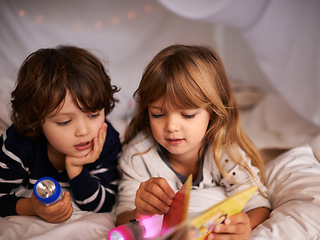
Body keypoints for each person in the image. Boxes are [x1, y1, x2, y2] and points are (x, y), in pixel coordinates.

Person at [115, 44, 270, 239]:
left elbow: (259, 205)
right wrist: (141, 210)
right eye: (158, 114)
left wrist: (245, 225)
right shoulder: (139, 154)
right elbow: (122, 216)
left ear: (212, 113)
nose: (171, 126)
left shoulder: (225, 151)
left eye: (187, 115)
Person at [0, 46, 122, 223]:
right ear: (36, 121)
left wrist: (75, 168)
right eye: (64, 122)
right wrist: (30, 207)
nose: (83, 131)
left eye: (93, 115)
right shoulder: (18, 143)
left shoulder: (106, 139)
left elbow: (104, 204)